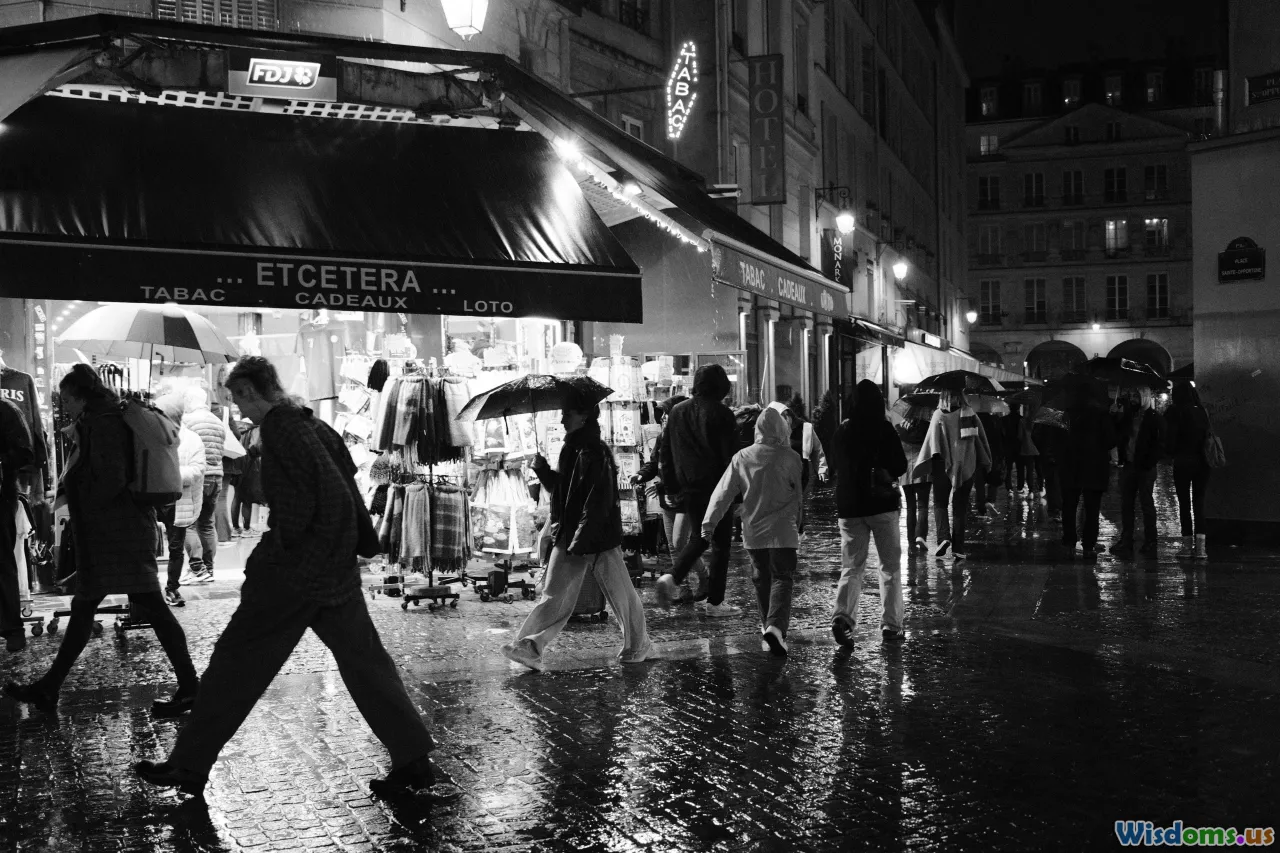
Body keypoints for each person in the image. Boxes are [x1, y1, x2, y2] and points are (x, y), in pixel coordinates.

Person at [135, 356, 436, 798]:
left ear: (250, 392)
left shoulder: (281, 427)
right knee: (368, 665)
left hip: (297, 573)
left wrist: (272, 556)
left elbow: (305, 505)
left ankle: (189, 765)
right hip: (334, 570)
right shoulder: (308, 423)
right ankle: (413, 761)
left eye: (238, 399)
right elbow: (342, 486)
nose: (239, 410)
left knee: (235, 663)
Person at [5, 364, 198, 713]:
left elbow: (109, 479)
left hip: (114, 533)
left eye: (67, 399)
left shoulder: (103, 422)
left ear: (80, 396)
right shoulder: (104, 418)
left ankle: (190, 685)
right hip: (117, 531)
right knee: (90, 608)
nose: (65, 406)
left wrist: (78, 496)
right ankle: (50, 687)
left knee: (147, 607)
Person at [502, 397, 652, 671]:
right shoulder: (573, 448)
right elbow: (563, 493)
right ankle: (530, 646)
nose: (561, 420)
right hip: (574, 533)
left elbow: (597, 501)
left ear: (584, 416)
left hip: (592, 535)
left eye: (566, 413)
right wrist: (543, 470)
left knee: (619, 593)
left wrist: (581, 540)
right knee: (556, 592)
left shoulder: (595, 452)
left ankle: (638, 643)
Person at [698, 407, 803, 656]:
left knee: (762, 579)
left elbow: (722, 493)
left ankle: (767, 628)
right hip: (784, 531)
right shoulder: (791, 457)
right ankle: (775, 629)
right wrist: (799, 523)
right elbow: (798, 495)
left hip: (753, 531)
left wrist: (708, 523)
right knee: (782, 578)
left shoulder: (742, 457)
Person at [655, 365, 740, 615]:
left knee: (700, 538)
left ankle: (672, 578)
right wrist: (738, 494)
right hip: (718, 488)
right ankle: (713, 601)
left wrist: (670, 486)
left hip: (688, 488)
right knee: (720, 544)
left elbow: (665, 452)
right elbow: (732, 459)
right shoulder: (722, 414)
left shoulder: (678, 412)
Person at [830, 380, 908, 645]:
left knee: (851, 566)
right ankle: (892, 625)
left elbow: (833, 465)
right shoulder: (884, 429)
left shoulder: (843, 431)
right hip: (882, 505)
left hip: (850, 507)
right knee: (889, 566)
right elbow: (899, 465)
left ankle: (843, 616)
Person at [631, 396, 706, 600]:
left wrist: (662, 485)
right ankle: (683, 589)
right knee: (674, 546)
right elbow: (655, 462)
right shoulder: (663, 436)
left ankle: (705, 577)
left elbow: (687, 471)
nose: (663, 417)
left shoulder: (691, 438)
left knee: (680, 543)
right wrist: (641, 475)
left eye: (666, 413)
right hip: (668, 499)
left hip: (685, 498)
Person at [915, 389, 991, 560]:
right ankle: (959, 549)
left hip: (941, 466)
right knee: (960, 508)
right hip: (966, 466)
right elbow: (982, 440)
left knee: (940, 503)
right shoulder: (970, 414)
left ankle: (943, 538)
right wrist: (985, 460)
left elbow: (931, 444)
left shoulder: (938, 415)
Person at [1053, 380, 1117, 558]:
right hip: (1094, 466)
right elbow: (1111, 440)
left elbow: (1057, 438)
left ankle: (1069, 539)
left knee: (1069, 505)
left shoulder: (1066, 414)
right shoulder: (1102, 415)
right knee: (1092, 507)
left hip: (1070, 465)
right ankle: (1089, 542)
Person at [154, 394, 206, 608]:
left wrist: (170, 473)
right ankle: (147, 590)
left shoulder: (192, 439)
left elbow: (197, 470)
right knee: (149, 547)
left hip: (179, 502)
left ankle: (172, 588)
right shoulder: (151, 437)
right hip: (153, 500)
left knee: (175, 549)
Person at [1112, 387, 1166, 560]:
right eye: (1132, 395)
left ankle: (1151, 539)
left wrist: (1150, 461)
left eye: (1137, 395)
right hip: (1129, 465)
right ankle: (1126, 538)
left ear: (1145, 397)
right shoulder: (1129, 415)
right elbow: (1118, 434)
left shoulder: (1154, 417)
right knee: (1126, 504)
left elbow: (1160, 443)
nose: (1133, 398)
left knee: (1146, 503)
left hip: (1145, 468)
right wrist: (1114, 416)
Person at [181, 386, 224, 584]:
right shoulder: (217, 421)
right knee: (207, 524)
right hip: (217, 476)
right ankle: (209, 569)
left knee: (187, 523)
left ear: (190, 401)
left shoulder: (188, 421)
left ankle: (196, 568)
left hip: (199, 477)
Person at [0, 397, 34, 652]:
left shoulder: (6, 410)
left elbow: (25, 452)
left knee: (2, 560)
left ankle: (12, 627)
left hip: (0, 495)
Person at [1165, 383, 1210, 558]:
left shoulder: (1175, 412)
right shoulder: (1201, 411)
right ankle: (1201, 549)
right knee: (1199, 503)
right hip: (1203, 462)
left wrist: (1169, 453)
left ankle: (1186, 546)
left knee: (1184, 504)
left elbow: (1169, 439)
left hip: (1183, 461)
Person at [896, 417, 931, 553]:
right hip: (923, 470)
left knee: (910, 507)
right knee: (923, 505)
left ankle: (911, 544)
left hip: (906, 472)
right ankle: (921, 536)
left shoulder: (899, 429)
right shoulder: (927, 428)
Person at [231, 420, 262, 537]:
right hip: (250, 465)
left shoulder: (236, 427)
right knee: (247, 498)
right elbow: (254, 446)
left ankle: (235, 528)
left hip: (236, 464)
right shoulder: (255, 429)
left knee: (237, 496)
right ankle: (247, 529)